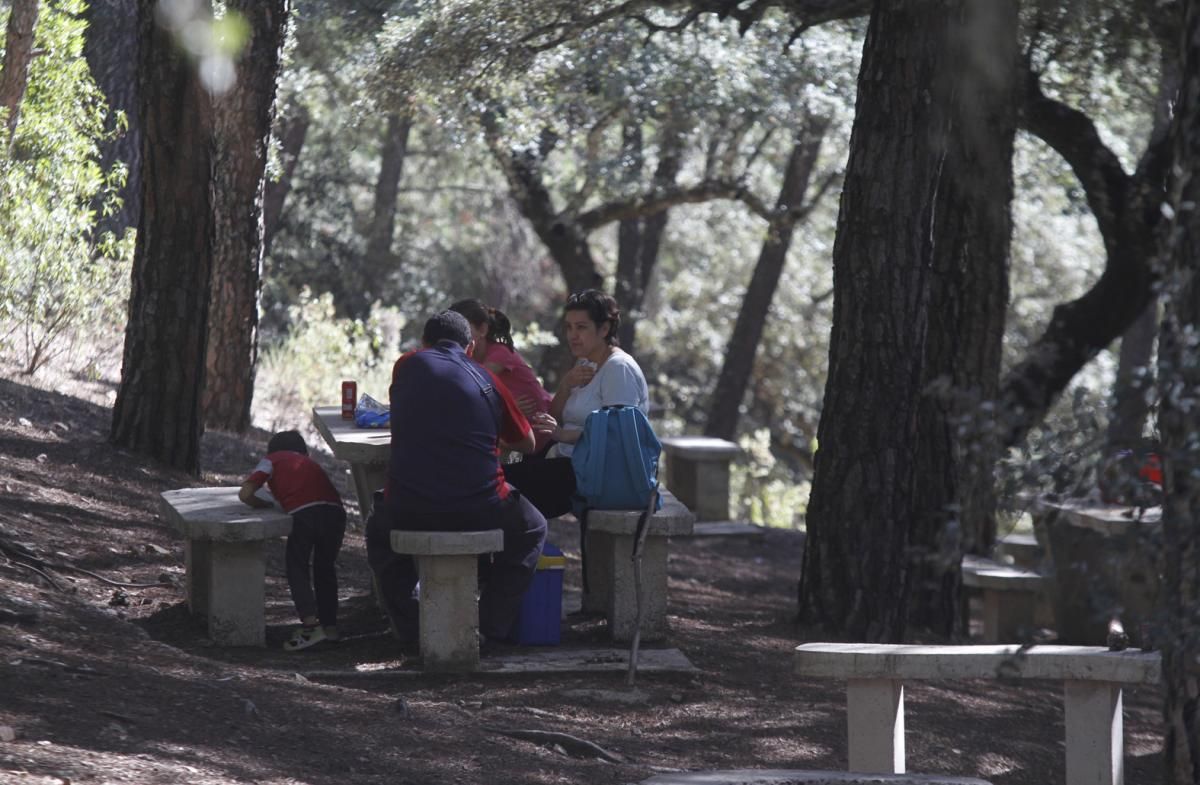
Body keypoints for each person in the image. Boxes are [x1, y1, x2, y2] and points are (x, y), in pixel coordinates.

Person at [365, 310, 548, 644]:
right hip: (481, 504)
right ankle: (489, 628)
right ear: (471, 346)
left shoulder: (406, 365)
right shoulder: (486, 380)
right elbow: (528, 442)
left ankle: (410, 631)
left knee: (378, 530)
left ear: (422, 343)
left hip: (408, 504)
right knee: (533, 527)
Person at [502, 289, 650, 519]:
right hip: (569, 461)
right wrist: (564, 386)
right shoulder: (586, 362)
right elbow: (555, 420)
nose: (572, 335)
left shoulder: (618, 369)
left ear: (604, 329)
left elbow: (616, 433)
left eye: (581, 327)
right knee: (500, 478)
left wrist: (562, 435)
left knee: (505, 488)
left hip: (598, 473)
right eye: (569, 327)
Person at [239, 430, 347, 651]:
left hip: (304, 513)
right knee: (324, 568)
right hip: (336, 513)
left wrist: (264, 504)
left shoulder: (272, 460)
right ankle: (330, 627)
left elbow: (245, 492)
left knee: (297, 566)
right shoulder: (309, 463)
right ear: (304, 451)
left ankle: (310, 626)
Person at [449, 298, 555, 453]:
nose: (457, 336)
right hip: (516, 436)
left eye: (463, 328)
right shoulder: (470, 359)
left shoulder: (499, 354)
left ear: (483, 330)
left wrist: (507, 412)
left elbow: (471, 390)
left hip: (542, 437)